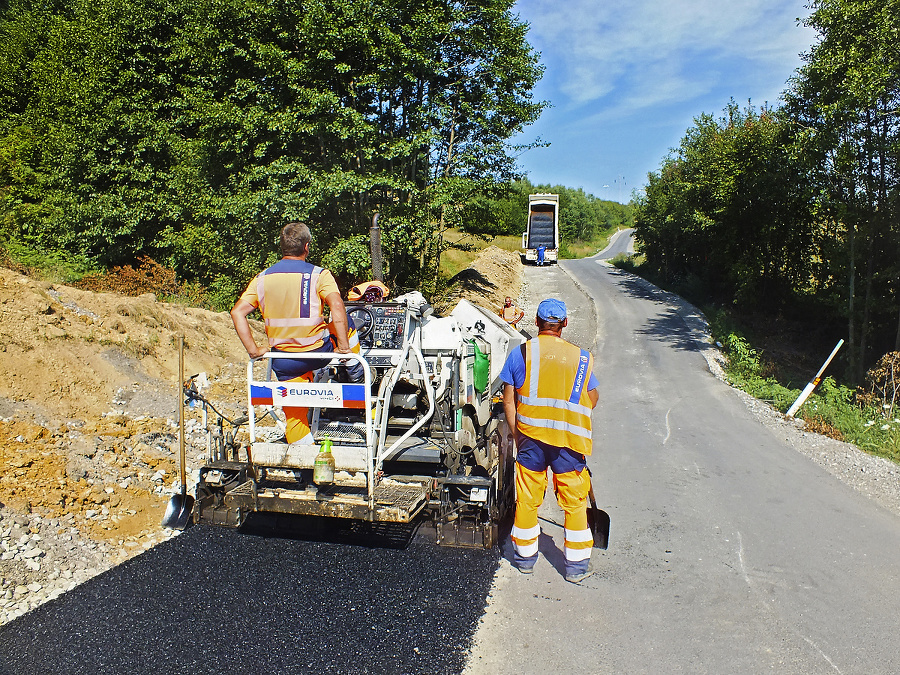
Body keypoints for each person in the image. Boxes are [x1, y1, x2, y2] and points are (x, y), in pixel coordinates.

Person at [230, 222, 360, 444]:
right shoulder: (319, 275)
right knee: (348, 324)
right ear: (307, 247)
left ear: (282, 247)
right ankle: (356, 373)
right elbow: (337, 308)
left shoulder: (262, 278)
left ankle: (307, 471)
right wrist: (344, 350)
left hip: (283, 359)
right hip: (317, 352)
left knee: (295, 419)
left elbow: (237, 312)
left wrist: (253, 350)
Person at [500, 298, 600, 583]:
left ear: (536, 321)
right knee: (574, 501)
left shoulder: (522, 353)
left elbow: (509, 401)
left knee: (529, 499)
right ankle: (576, 567)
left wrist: (518, 435)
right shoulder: (581, 358)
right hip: (568, 442)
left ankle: (525, 560)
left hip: (531, 439)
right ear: (565, 324)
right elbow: (592, 398)